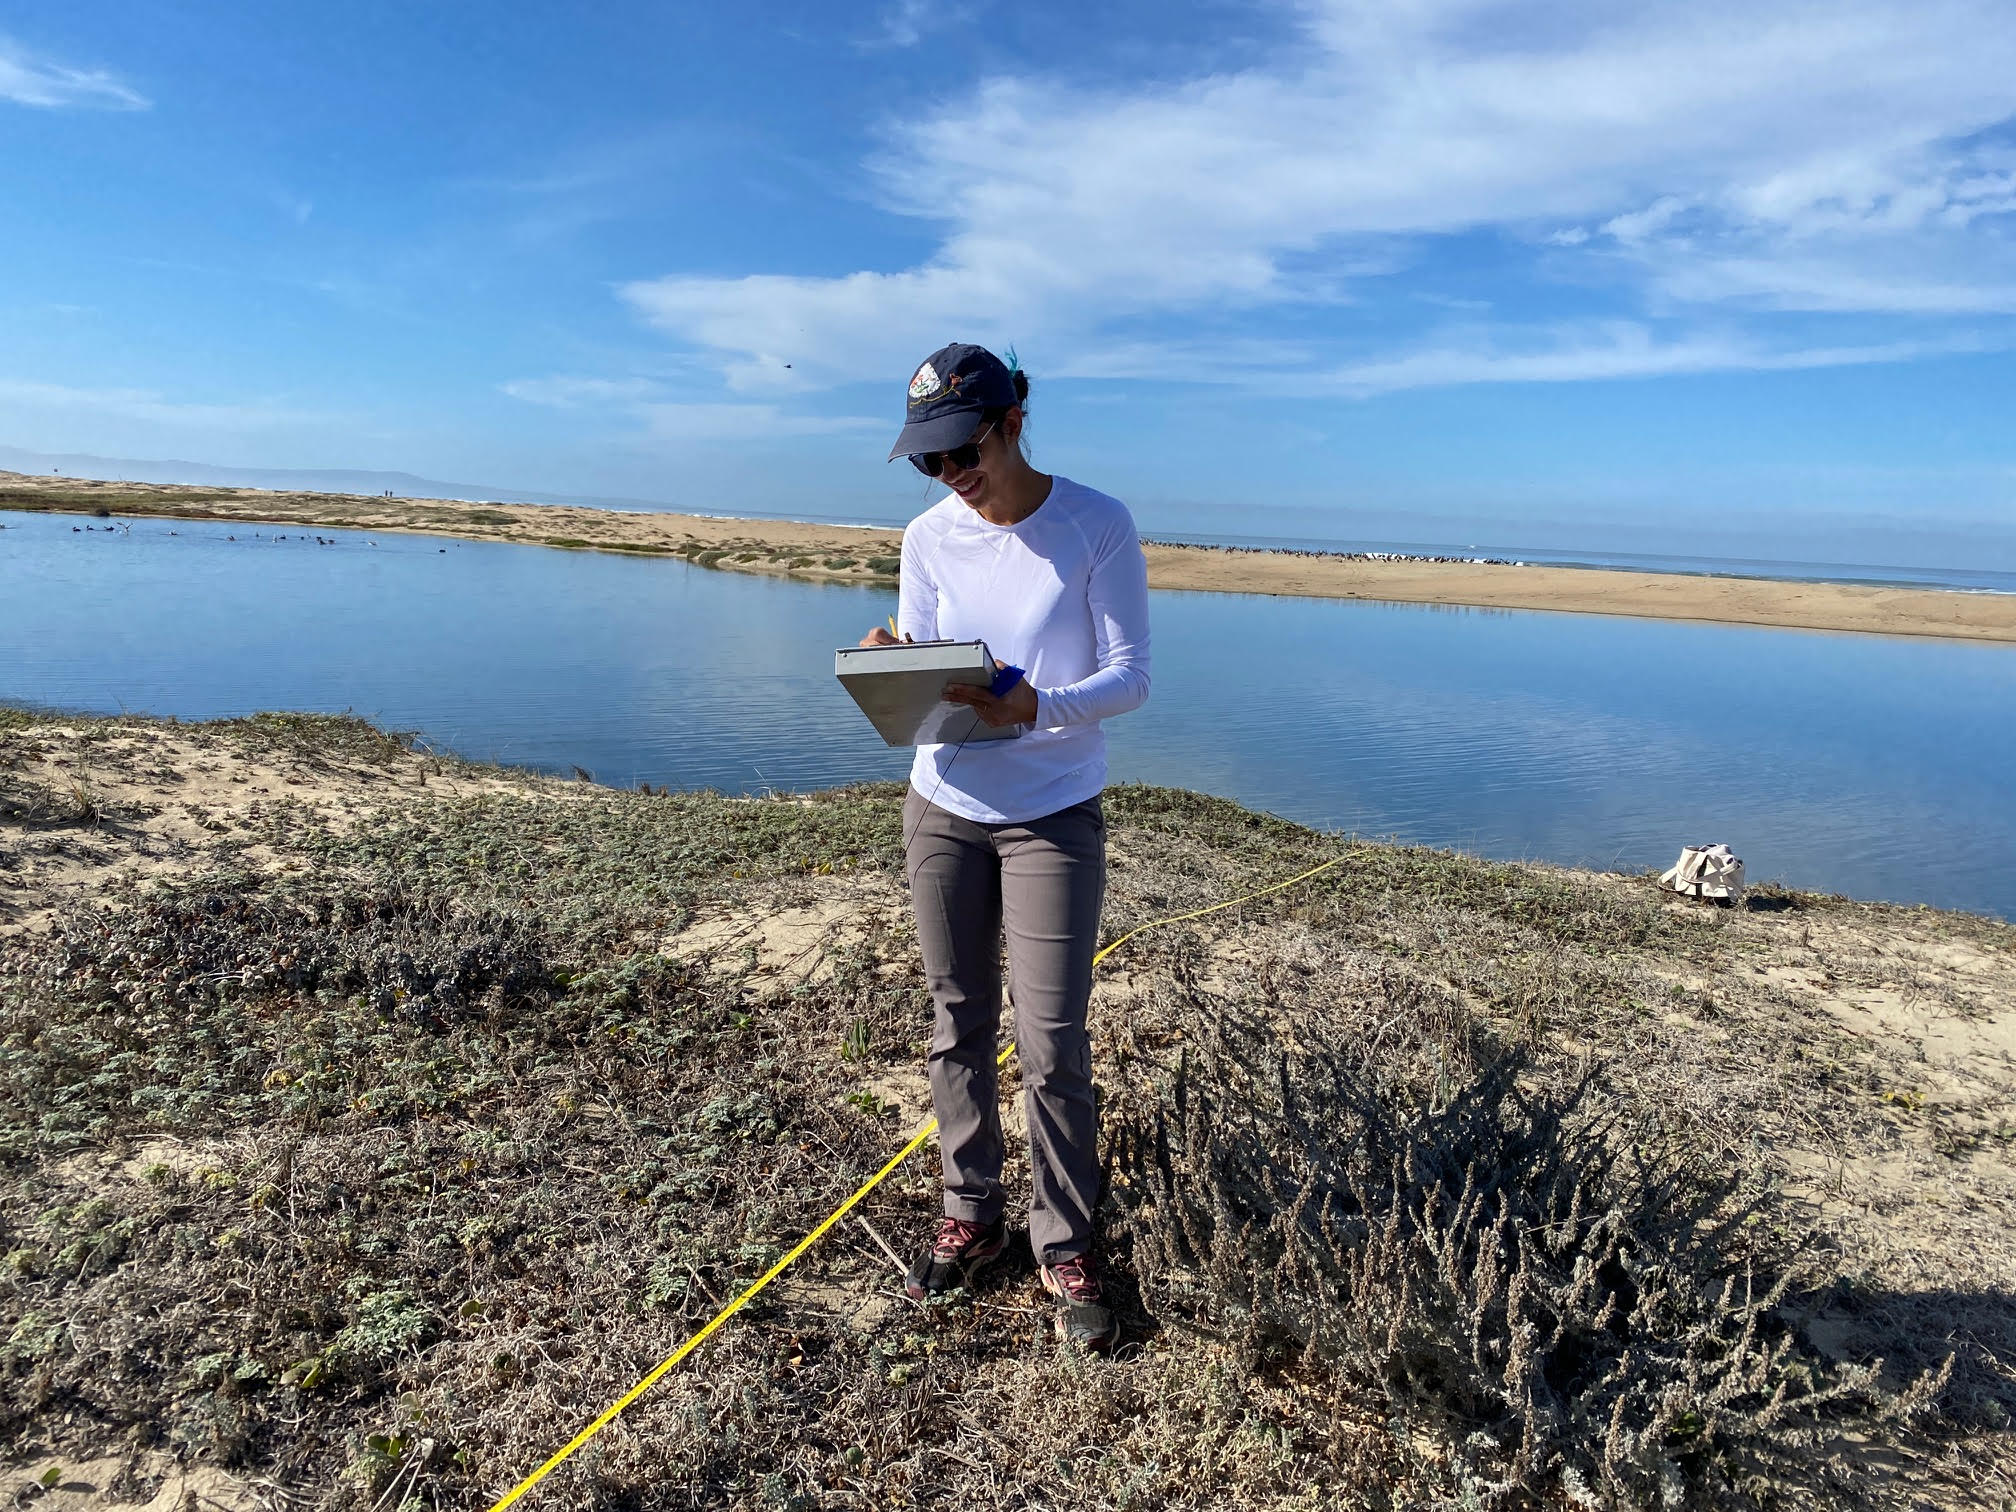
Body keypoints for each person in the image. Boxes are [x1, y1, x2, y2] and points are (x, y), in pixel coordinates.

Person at [858, 342, 1151, 1350]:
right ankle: (971, 1213)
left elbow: (1129, 678)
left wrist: (1036, 706)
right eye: (928, 462)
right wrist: (901, 663)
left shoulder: (1096, 525)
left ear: (1014, 421)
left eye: (962, 451)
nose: (950, 477)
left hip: (1051, 813)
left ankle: (1065, 1240)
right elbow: (932, 665)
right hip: (943, 800)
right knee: (956, 1018)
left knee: (1052, 1040)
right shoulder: (927, 537)